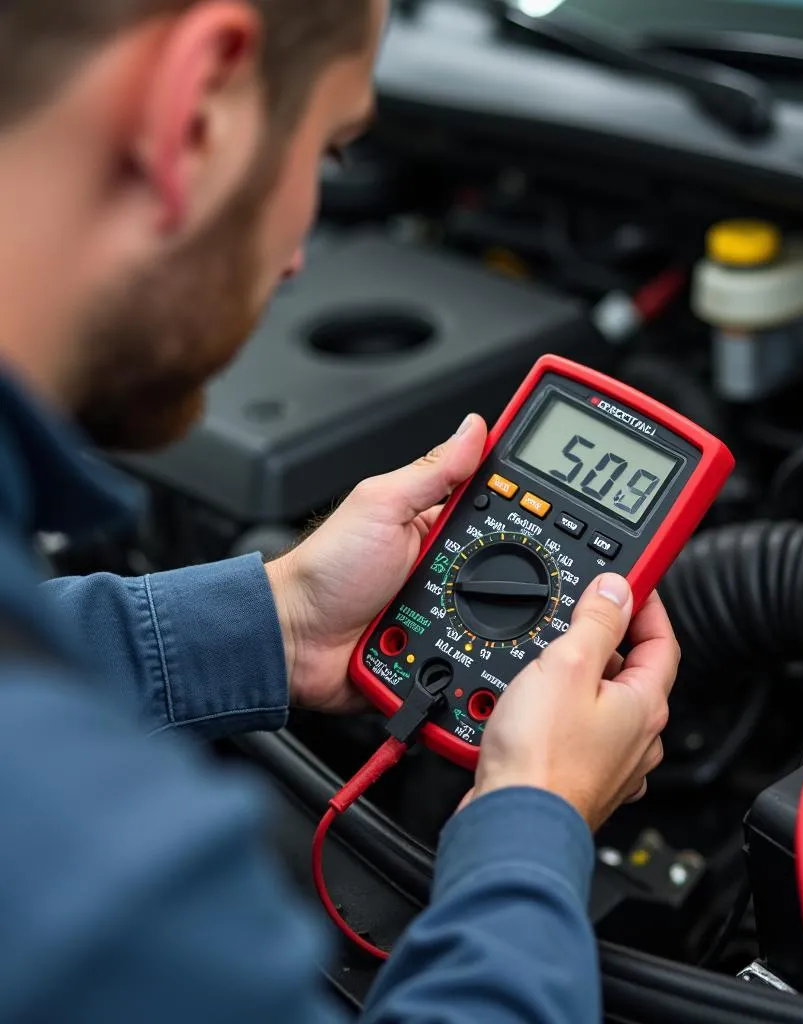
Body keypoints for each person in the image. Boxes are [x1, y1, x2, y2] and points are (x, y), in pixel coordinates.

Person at [0, 1, 680, 1022]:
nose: (299, 256)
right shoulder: (95, 876)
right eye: (325, 148)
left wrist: (273, 622)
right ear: (197, 112)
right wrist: (532, 819)